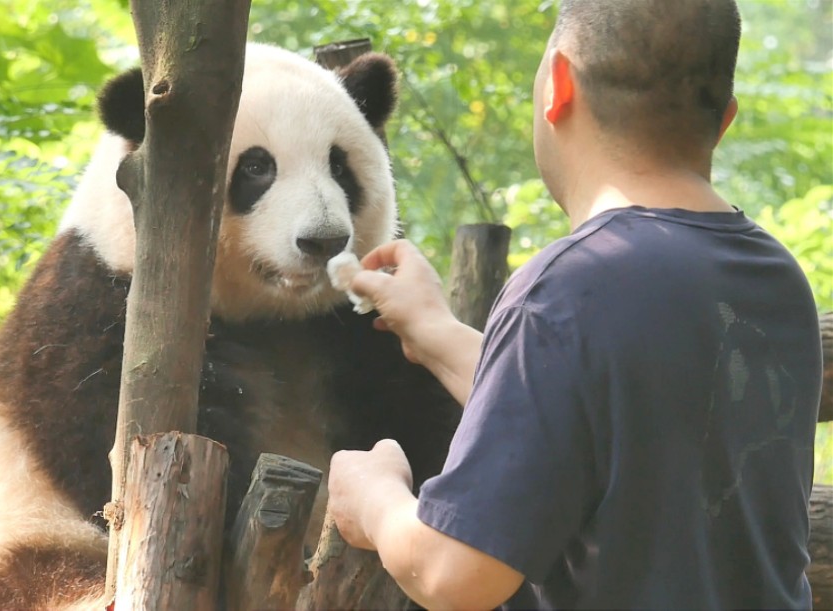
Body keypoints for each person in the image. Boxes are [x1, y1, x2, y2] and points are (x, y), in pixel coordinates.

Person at [326, 0, 823, 609]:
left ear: (557, 86)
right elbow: (600, 410)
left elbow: (453, 573)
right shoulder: (776, 278)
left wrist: (377, 497)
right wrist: (433, 329)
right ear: (726, 120)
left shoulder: (566, 287)